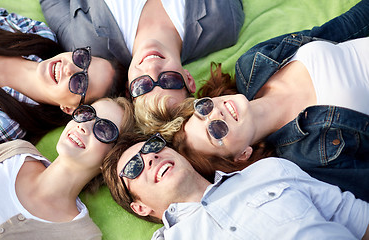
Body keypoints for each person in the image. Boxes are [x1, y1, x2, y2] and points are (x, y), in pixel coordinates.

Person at [137, 0, 369, 201]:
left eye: (203, 109)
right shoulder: (309, 157)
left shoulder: (254, 65)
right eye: (216, 131)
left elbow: (343, 27)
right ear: (242, 155)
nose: (216, 114)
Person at [102, 132, 369, 240]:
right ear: (140, 207)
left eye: (152, 146)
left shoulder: (269, 171)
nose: (150, 157)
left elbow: (357, 219)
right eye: (134, 168)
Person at [0, 3, 126, 158]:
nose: (69, 68)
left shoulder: (4, 123)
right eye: (82, 59)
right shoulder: (38, 33)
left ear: (69, 109)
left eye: (80, 82)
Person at [0, 97, 135, 239]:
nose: (83, 126)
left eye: (104, 129)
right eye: (86, 114)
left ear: (113, 158)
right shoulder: (16, 152)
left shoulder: (82, 235)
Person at [40, 0, 245, 117]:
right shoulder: (224, 23)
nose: (153, 68)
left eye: (143, 86)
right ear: (188, 79)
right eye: (168, 81)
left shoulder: (86, 45)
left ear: (130, 88)